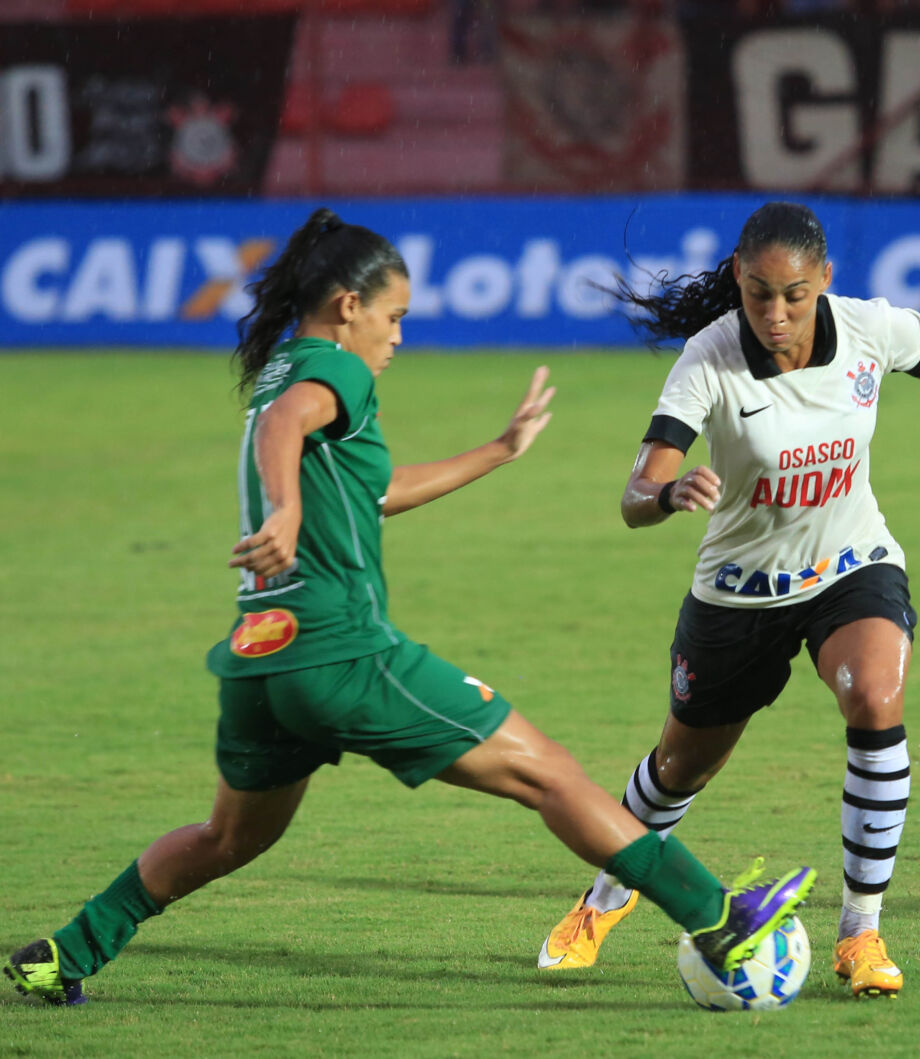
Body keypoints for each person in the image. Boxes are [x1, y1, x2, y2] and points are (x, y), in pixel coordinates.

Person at [4, 208, 814, 1007]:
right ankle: (718, 920)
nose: (397, 337)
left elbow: (373, 490)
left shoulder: (288, 367)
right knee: (553, 775)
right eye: (393, 317)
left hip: (260, 660)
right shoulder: (333, 369)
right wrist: (283, 508)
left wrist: (496, 452)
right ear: (348, 306)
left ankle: (66, 952)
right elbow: (287, 428)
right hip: (342, 654)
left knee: (229, 837)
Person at [535, 201, 920, 996]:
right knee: (676, 770)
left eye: (793, 294)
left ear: (824, 279)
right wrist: (664, 496)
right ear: (738, 279)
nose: (775, 312)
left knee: (876, 696)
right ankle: (603, 899)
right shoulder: (710, 357)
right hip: (737, 595)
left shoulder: (873, 329)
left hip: (850, 565)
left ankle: (860, 933)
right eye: (758, 292)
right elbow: (637, 488)